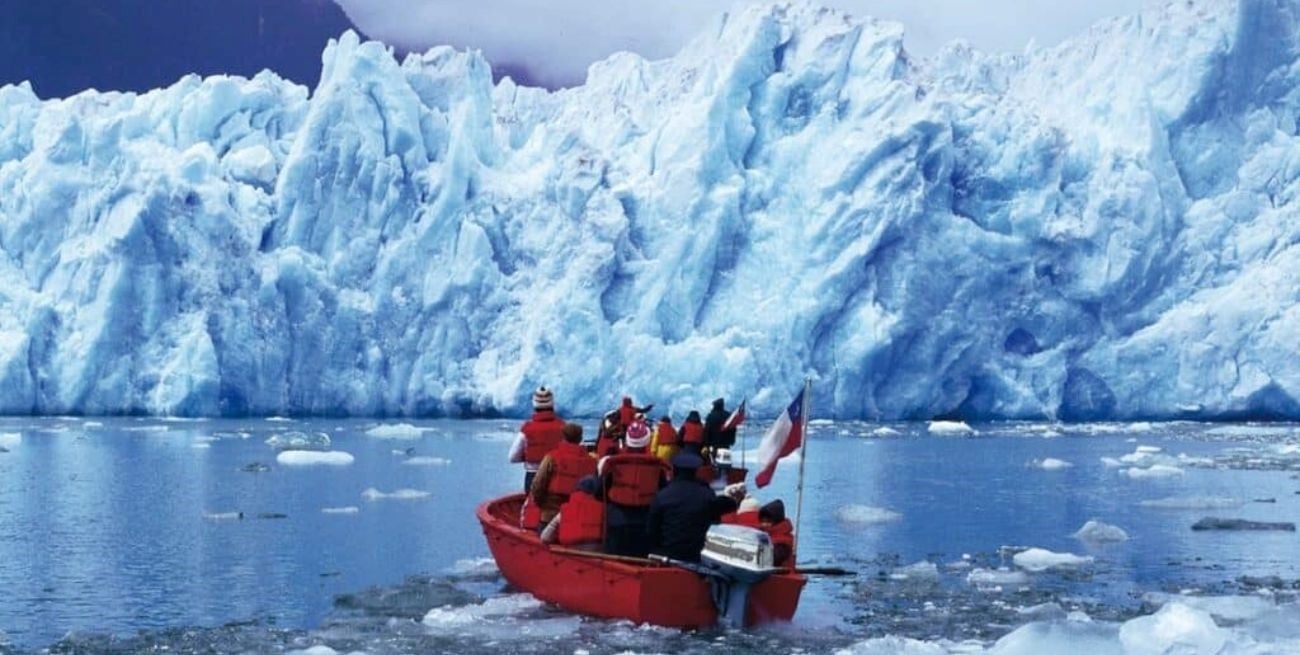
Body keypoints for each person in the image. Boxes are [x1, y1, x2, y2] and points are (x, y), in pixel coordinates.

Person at [646, 452, 746, 562]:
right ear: (695, 471)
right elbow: (717, 517)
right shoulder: (706, 494)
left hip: (666, 554)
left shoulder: (662, 495)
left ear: (674, 470)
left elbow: (652, 531)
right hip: (695, 555)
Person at [600, 424, 671, 557]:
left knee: (614, 561)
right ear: (647, 441)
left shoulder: (612, 464)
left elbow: (602, 489)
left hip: (617, 519)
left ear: (627, 441)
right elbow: (664, 493)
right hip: (645, 521)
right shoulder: (659, 466)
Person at [527, 423, 596, 528]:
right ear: (580, 438)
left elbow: (538, 484)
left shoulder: (551, 457)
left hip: (550, 515)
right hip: (577, 518)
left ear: (563, 436)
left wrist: (540, 504)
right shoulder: (592, 462)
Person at [508, 387, 566, 491]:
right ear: (552, 404)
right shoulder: (563, 427)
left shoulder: (527, 429)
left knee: (532, 506)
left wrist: (528, 456)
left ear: (534, 404)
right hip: (558, 477)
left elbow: (512, 457)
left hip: (533, 476)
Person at [541, 475, 605, 551]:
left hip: (570, 553)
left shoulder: (565, 510)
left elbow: (545, 537)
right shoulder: (603, 510)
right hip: (595, 555)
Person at [760, 500, 795, 568]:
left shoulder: (784, 540)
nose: (764, 524)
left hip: (782, 573)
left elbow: (775, 559)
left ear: (777, 521)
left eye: (768, 522)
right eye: (762, 521)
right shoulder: (762, 535)